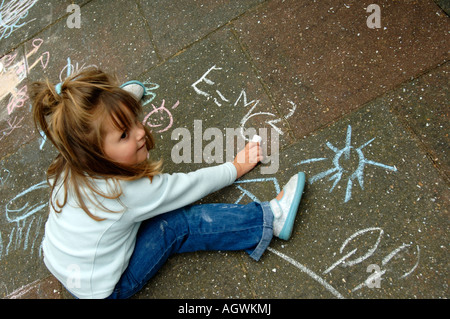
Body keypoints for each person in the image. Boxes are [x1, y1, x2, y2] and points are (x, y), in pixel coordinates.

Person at [31, 68, 306, 299]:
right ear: (92, 153)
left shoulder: (69, 162)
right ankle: (267, 221)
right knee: (174, 225)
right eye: (124, 133)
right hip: (106, 288)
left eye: (132, 117)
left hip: (62, 262)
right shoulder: (126, 192)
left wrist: (118, 108)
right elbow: (190, 185)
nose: (141, 132)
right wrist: (235, 167)